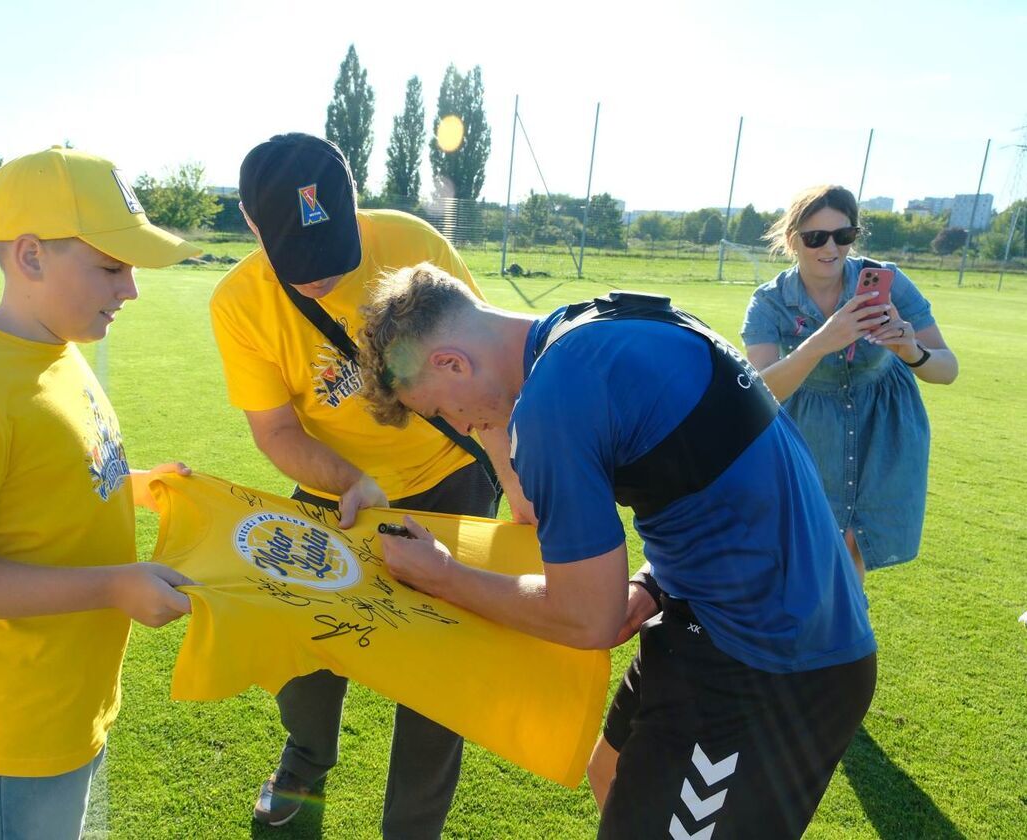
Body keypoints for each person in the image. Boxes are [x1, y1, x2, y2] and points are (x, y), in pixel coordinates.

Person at [360, 263, 878, 839]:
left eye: (441, 411)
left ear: (451, 362)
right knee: (609, 771)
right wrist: (653, 580)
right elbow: (721, 468)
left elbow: (589, 618)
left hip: (771, 664)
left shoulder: (553, 399)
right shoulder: (594, 325)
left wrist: (443, 575)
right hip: (715, 614)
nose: (460, 425)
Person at [209, 133, 530, 836]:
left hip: (450, 480)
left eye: (333, 255)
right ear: (252, 224)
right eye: (300, 262)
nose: (321, 279)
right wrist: (351, 480)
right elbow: (277, 433)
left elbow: (484, 378)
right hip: (335, 493)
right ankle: (304, 764)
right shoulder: (238, 303)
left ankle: (411, 829)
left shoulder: (414, 242)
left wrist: (517, 484)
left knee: (438, 673)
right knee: (305, 640)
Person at [0, 147, 199, 839]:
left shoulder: (56, 349)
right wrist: (115, 586)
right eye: (110, 266)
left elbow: (44, 479)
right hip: (12, 718)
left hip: (61, 696)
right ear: (31, 256)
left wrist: (135, 485)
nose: (131, 290)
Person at [742, 185, 958, 580]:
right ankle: (839, 634)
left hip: (884, 431)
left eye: (844, 236)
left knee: (852, 547)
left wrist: (910, 350)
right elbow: (762, 391)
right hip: (810, 433)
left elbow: (947, 369)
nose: (831, 248)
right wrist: (823, 341)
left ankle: (846, 634)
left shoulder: (886, 280)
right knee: (813, 550)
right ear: (792, 240)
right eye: (815, 238)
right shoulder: (769, 301)